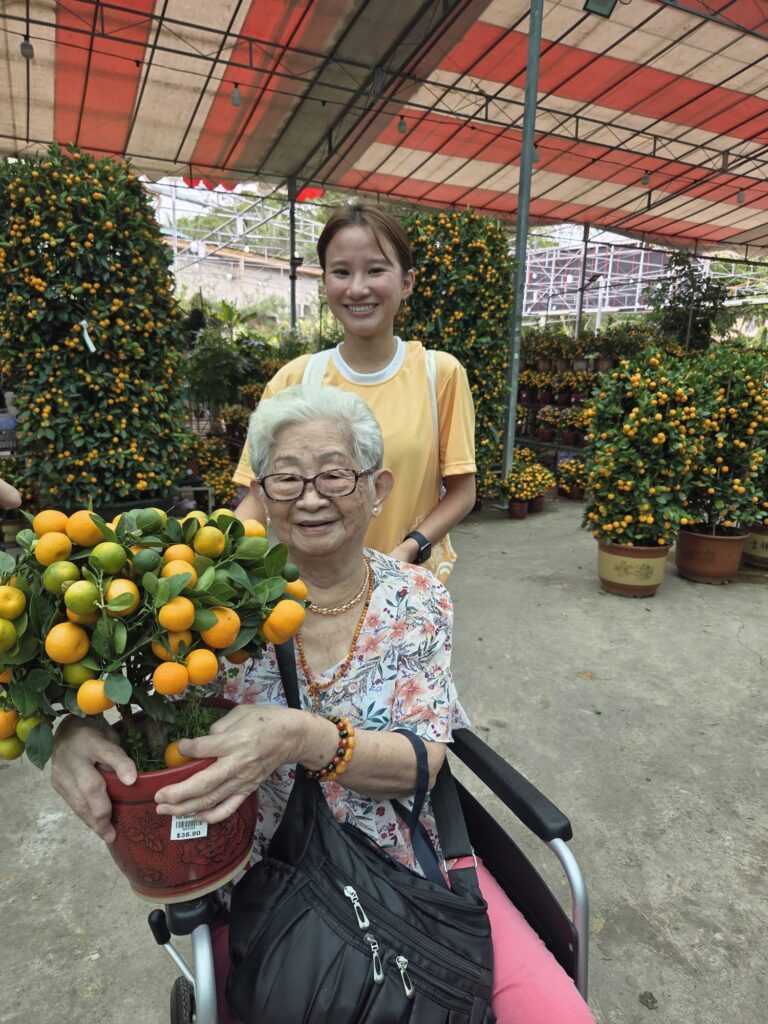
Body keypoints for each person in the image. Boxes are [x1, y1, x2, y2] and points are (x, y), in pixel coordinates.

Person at [51, 386, 594, 1024]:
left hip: (411, 865)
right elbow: (135, 697)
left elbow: (422, 761)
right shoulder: (205, 606)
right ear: (261, 491)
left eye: (334, 474)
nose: (310, 497)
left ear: (377, 486)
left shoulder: (417, 598)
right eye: (285, 478)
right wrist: (75, 730)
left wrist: (305, 738)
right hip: (262, 876)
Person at [231, 199, 476, 584]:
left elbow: (463, 491)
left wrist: (408, 549)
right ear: (325, 282)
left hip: (404, 586)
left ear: (407, 282)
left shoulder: (438, 374)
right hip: (306, 592)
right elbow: (256, 497)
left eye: (375, 270)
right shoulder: (295, 379)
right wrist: (213, 559)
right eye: (341, 272)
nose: (358, 288)